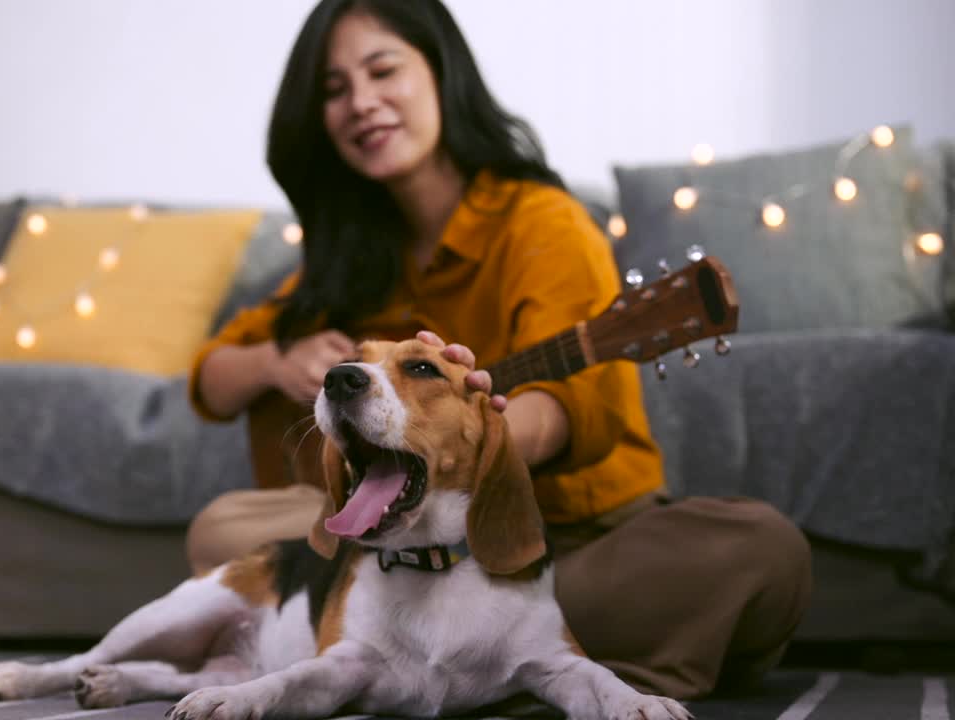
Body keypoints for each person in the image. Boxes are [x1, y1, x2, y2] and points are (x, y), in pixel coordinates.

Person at [185, 0, 811, 701]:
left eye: (382, 69)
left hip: (567, 542)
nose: (361, 103)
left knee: (761, 549)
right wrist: (276, 364)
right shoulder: (348, 258)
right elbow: (213, 376)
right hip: (403, 543)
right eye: (334, 90)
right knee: (222, 531)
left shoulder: (542, 223)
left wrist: (468, 431)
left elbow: (565, 411)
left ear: (443, 73)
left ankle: (448, 656)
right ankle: (507, 667)